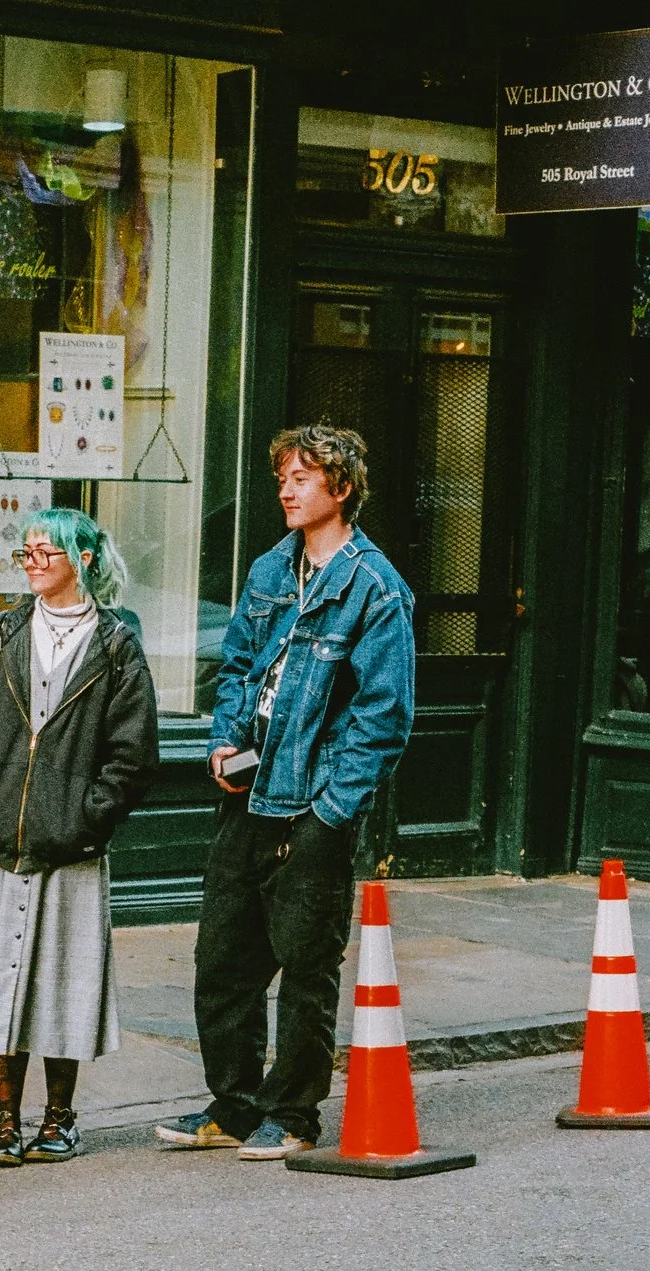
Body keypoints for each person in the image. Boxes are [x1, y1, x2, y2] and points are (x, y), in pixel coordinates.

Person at [160, 424, 415, 1159]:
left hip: (312, 802)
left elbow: (384, 715)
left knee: (305, 963)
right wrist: (223, 737)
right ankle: (232, 1104)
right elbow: (238, 663)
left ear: (341, 488)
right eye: (282, 476)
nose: (285, 488)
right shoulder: (272, 568)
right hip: (249, 791)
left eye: (302, 477)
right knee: (224, 957)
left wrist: (331, 809)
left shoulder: (374, 588)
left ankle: (294, 1114)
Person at [0, 507, 161, 1166]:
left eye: (45, 553)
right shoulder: (5, 631)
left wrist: (88, 816)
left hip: (71, 842)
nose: (32, 562)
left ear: (83, 560)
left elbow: (134, 752)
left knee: (66, 980)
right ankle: (5, 1122)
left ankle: (60, 1119)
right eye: (26, 552)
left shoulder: (116, 643)